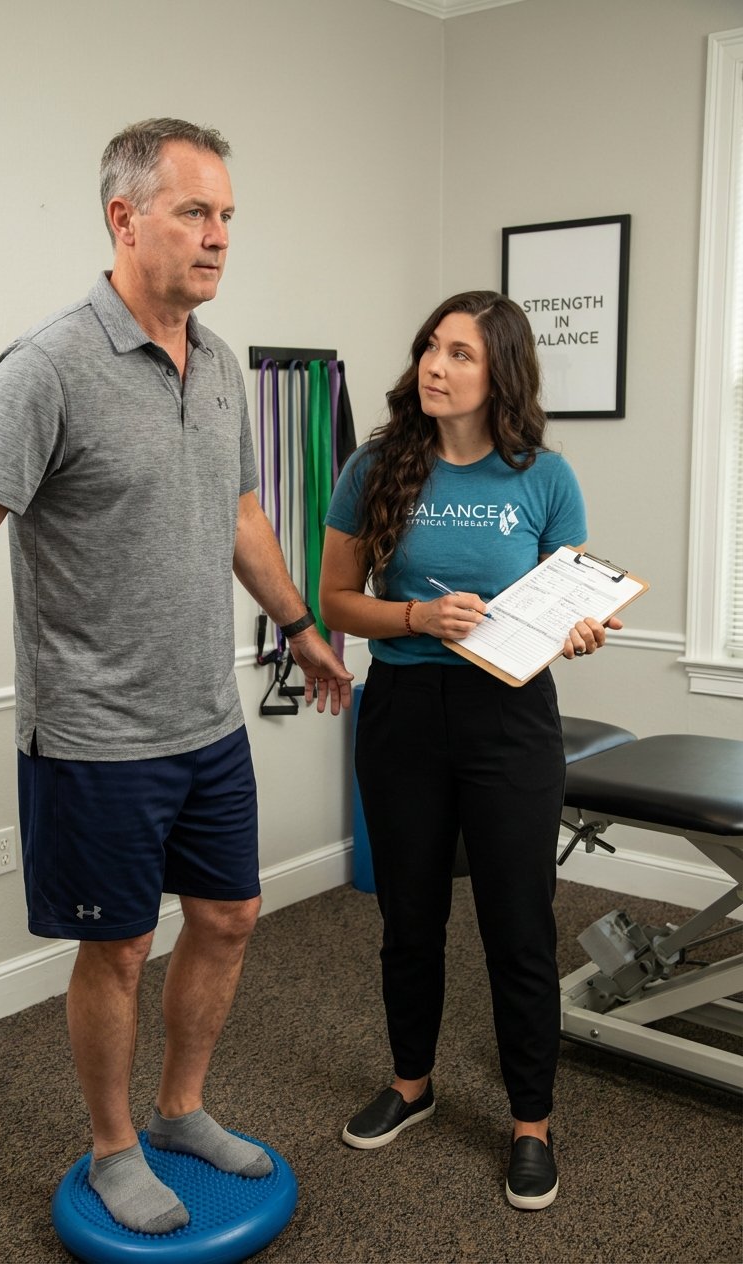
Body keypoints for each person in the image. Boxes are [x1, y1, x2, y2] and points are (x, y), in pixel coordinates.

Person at [0, 118, 352, 1235]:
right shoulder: (48, 365)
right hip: (96, 728)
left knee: (233, 914)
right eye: (195, 212)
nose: (218, 237)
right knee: (120, 945)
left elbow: (241, 514)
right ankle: (110, 1145)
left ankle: (182, 1108)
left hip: (206, 716)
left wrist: (295, 624)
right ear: (124, 218)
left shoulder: (221, 360)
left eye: (228, 217)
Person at [319, 290, 622, 1212]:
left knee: (518, 925)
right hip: (404, 708)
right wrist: (413, 615)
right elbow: (334, 602)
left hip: (511, 715)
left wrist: (579, 630)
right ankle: (413, 1084)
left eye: (459, 354)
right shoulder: (374, 467)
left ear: (501, 376)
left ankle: (531, 1121)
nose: (435, 367)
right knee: (409, 917)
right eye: (429, 349)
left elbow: (570, 600)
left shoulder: (544, 476)